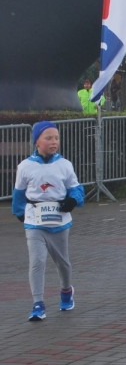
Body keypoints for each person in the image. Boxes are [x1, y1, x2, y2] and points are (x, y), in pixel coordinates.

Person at [12, 121, 83, 320]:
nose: (54, 142)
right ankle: (38, 304)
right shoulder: (25, 166)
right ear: (37, 142)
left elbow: (76, 188)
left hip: (59, 221)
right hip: (35, 220)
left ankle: (67, 291)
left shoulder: (64, 165)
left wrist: (72, 200)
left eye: (56, 138)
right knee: (37, 261)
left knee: (63, 262)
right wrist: (19, 212)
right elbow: (18, 193)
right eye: (48, 138)